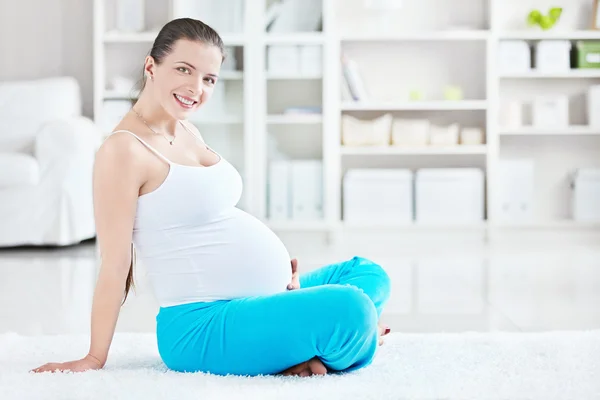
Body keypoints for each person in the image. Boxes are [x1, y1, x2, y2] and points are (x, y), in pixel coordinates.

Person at [31, 17, 391, 377]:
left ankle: (300, 346)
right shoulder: (123, 150)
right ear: (151, 66)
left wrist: (280, 276)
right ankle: (343, 339)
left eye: (209, 79)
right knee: (352, 310)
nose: (196, 88)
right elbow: (114, 263)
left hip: (263, 298)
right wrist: (94, 358)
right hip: (201, 327)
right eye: (184, 70)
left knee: (368, 273)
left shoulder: (187, 129)